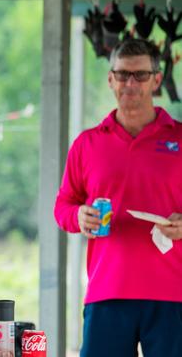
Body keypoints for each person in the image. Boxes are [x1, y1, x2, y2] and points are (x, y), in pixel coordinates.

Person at [54, 38, 182, 356]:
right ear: (110, 79)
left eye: (140, 75)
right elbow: (63, 206)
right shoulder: (87, 143)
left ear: (157, 80)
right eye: (122, 74)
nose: (130, 83)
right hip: (106, 290)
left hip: (173, 293)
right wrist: (78, 215)